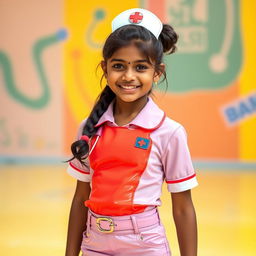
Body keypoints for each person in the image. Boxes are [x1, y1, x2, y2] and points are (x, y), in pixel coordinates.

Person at [65, 8, 198, 256]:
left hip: (145, 245)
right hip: (94, 244)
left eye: (140, 67)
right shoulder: (88, 129)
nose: (128, 76)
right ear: (105, 69)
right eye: (118, 66)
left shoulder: (170, 132)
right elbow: (80, 197)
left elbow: (182, 208)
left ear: (157, 73)